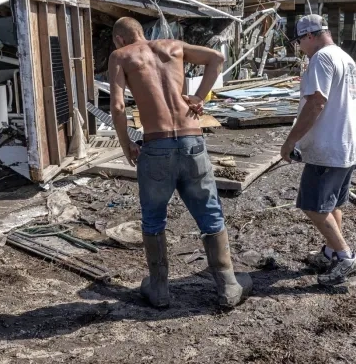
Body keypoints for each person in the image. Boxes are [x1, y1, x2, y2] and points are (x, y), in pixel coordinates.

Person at [108, 17, 252, 308]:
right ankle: (228, 286)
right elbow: (217, 58)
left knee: (153, 217)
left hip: (156, 144)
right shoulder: (173, 46)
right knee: (209, 212)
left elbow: (118, 105)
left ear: (119, 40)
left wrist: (126, 144)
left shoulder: (120, 56)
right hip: (192, 142)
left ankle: (160, 290)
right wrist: (199, 97)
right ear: (142, 33)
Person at [280, 14, 356, 286]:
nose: (300, 48)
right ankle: (331, 251)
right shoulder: (345, 57)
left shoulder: (321, 59)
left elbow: (316, 103)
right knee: (332, 204)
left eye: (299, 41)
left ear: (309, 35)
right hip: (347, 142)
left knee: (313, 205)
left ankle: (345, 256)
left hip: (329, 145)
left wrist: (291, 140)